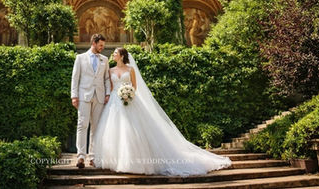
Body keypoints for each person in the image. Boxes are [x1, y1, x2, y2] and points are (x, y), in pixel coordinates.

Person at [93, 47, 232, 175]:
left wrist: (128, 94)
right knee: (114, 130)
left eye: (116, 53)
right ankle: (114, 160)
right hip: (114, 103)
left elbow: (134, 86)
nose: (113, 55)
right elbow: (110, 88)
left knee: (132, 130)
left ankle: (133, 162)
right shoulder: (110, 70)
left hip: (129, 100)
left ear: (122, 56)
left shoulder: (130, 70)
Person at [71, 34, 111, 168]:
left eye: (103, 46)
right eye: (100, 45)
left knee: (96, 127)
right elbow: (75, 78)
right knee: (82, 125)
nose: (102, 48)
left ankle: (93, 156)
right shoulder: (80, 58)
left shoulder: (105, 59)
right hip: (83, 96)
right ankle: (81, 156)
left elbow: (106, 78)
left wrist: (107, 94)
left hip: (99, 96)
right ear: (93, 43)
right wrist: (74, 96)